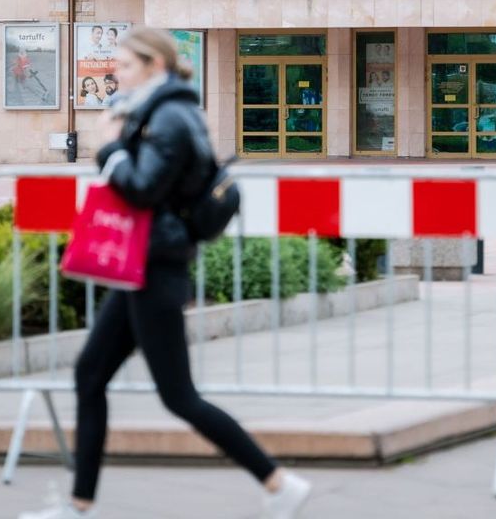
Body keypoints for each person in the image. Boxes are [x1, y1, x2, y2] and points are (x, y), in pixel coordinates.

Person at [20, 27, 310, 519]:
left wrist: (110, 149)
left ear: (154, 66)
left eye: (126, 65)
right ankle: (78, 504)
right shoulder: (161, 112)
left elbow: (144, 188)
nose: (116, 71)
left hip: (156, 269)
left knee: (179, 396)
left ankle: (277, 481)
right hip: (145, 266)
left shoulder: (171, 117)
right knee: (90, 375)